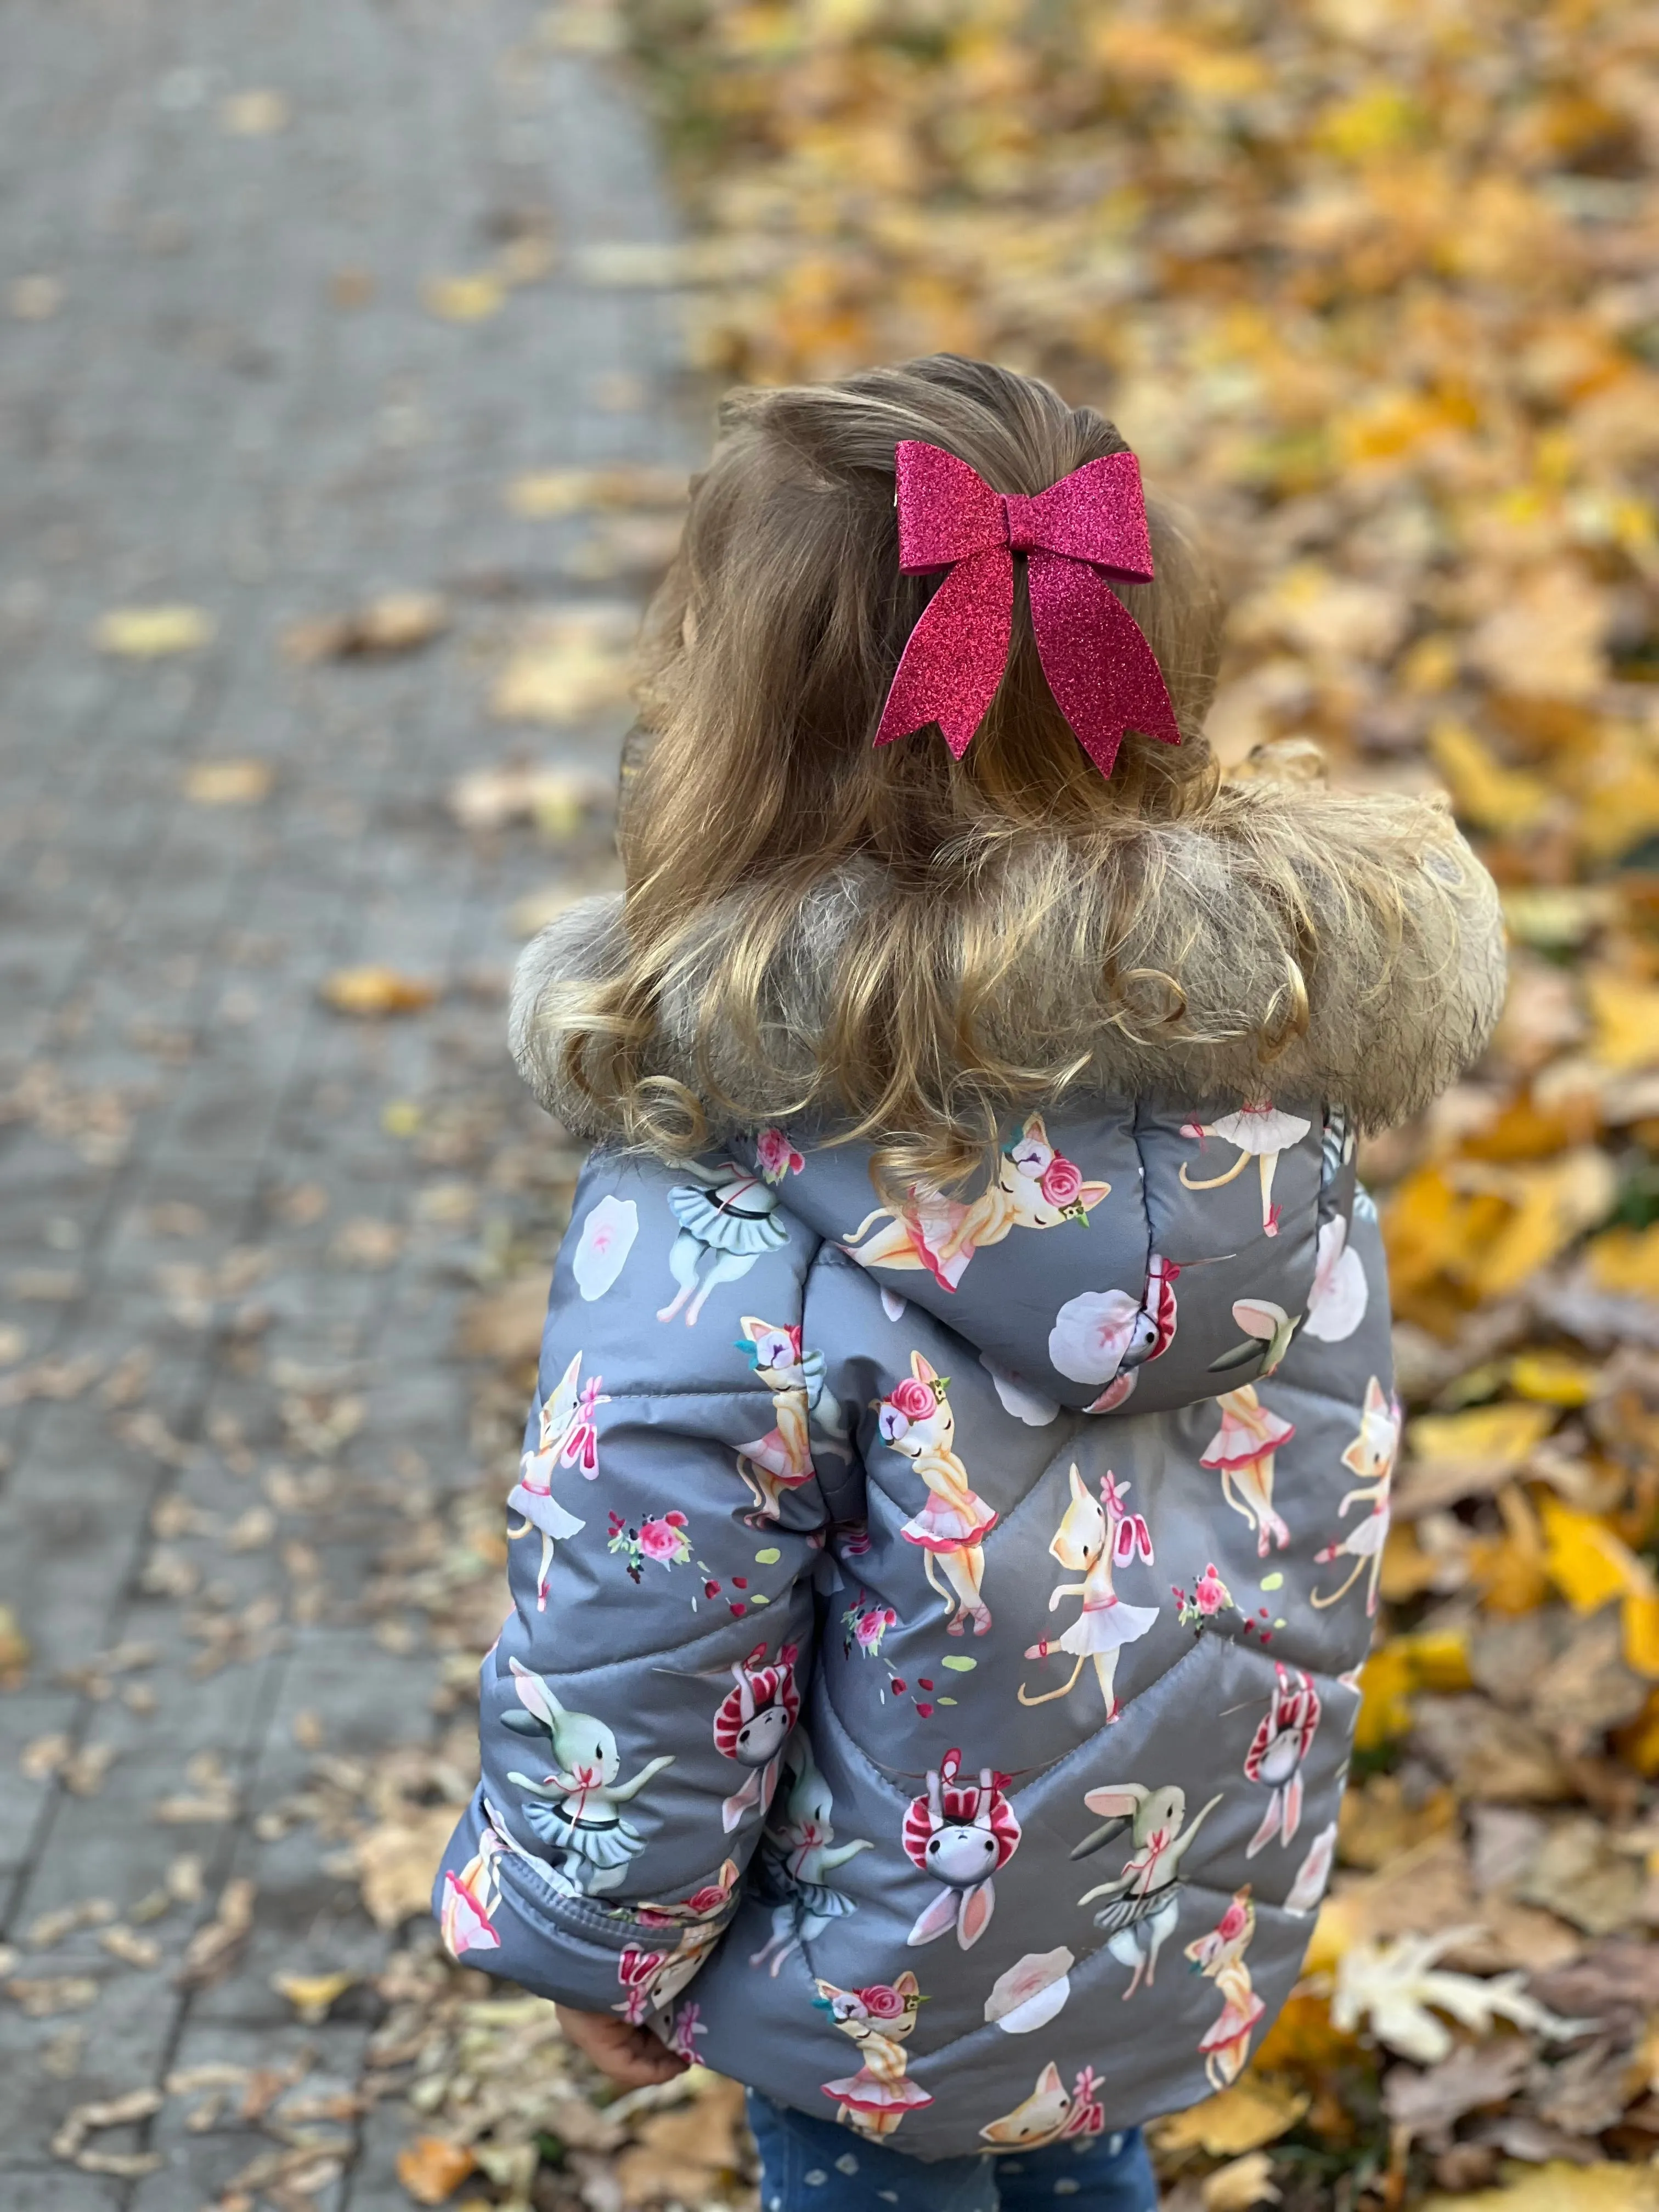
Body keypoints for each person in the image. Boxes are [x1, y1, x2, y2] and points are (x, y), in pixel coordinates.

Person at [435, 355, 1504, 2212]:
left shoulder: (730, 1186)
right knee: (1087, 2166)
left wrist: (594, 1938)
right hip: (1154, 1903)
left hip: (852, 1988)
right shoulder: (1271, 1101)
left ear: (735, 729)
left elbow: (649, 1620)